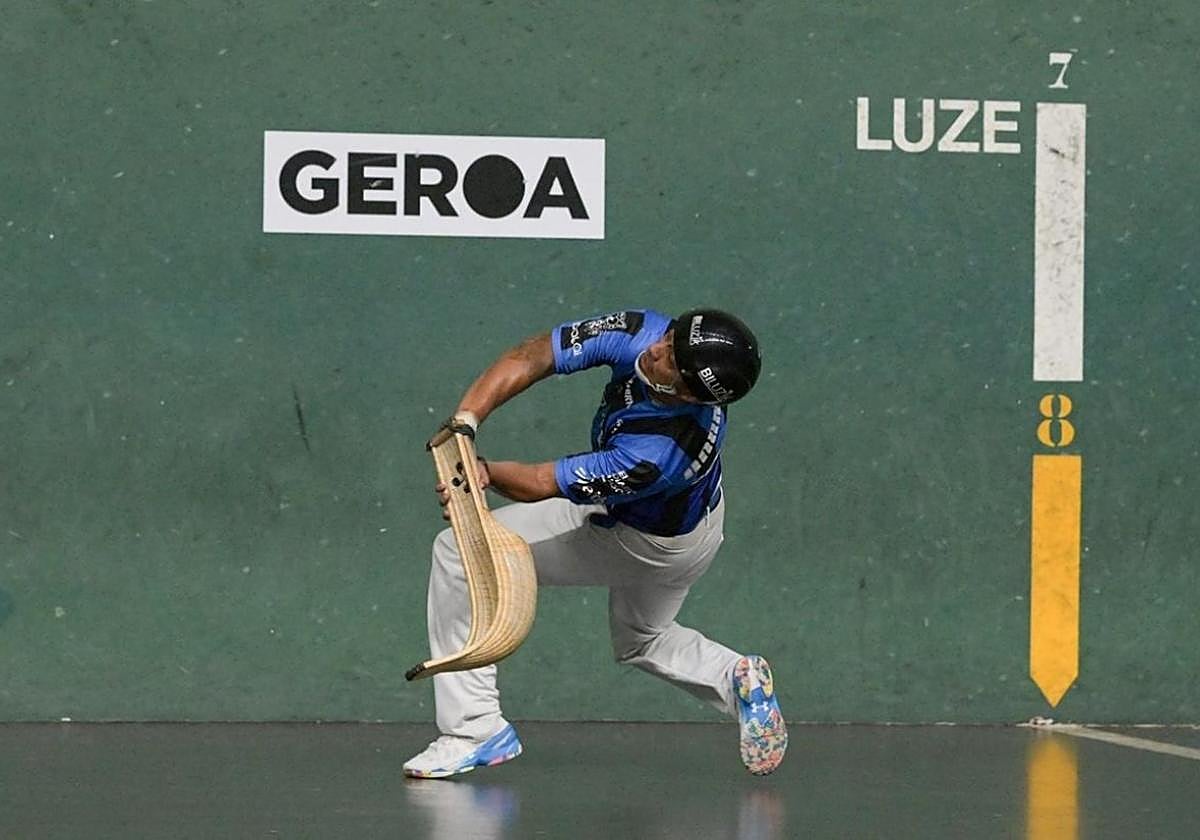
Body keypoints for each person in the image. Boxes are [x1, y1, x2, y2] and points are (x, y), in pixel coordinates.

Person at [403, 308, 787, 778]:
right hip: (698, 527)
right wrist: (466, 420)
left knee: (458, 551)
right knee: (643, 639)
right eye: (670, 337)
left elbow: (543, 482)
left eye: (671, 360)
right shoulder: (643, 332)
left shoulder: (658, 454)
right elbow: (537, 354)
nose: (657, 349)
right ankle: (733, 676)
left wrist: (480, 473)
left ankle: (474, 728)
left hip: (640, 541)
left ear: (689, 393)